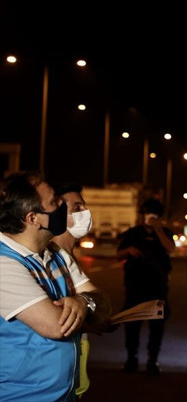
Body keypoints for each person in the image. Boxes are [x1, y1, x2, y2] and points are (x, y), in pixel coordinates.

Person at [0, 171, 107, 401]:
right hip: (21, 396)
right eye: (54, 203)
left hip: (62, 394)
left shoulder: (55, 254)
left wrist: (82, 302)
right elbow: (57, 326)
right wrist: (86, 308)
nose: (62, 206)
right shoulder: (4, 263)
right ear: (33, 218)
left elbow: (103, 303)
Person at [52, 182, 113, 398]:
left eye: (84, 207)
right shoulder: (50, 257)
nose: (85, 213)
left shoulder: (68, 257)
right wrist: (87, 309)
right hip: (47, 383)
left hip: (69, 378)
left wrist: (85, 310)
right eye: (76, 208)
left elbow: (102, 302)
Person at [116, 197, 174, 375]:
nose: (150, 217)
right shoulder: (132, 233)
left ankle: (152, 361)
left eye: (154, 214)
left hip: (157, 289)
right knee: (131, 327)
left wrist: (158, 229)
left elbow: (170, 248)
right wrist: (129, 251)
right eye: (148, 213)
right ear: (142, 215)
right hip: (135, 288)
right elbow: (118, 254)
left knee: (157, 328)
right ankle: (131, 359)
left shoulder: (164, 232)